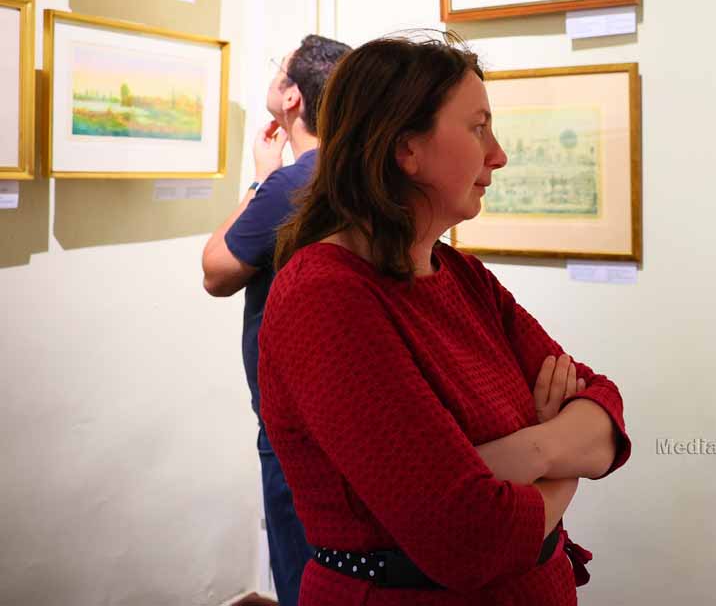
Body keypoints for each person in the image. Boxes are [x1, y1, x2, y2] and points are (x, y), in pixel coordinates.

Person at [258, 35, 631, 605]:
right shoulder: (325, 297)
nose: (498, 155)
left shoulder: (461, 275)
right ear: (406, 149)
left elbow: (605, 413)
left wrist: (529, 454)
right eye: (479, 128)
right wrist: (564, 468)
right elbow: (469, 535)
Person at [201, 34, 352, 606]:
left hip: (295, 418)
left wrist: (261, 180)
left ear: (292, 98)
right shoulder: (353, 174)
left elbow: (216, 271)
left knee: (303, 574)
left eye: (278, 69)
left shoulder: (294, 183)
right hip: (343, 401)